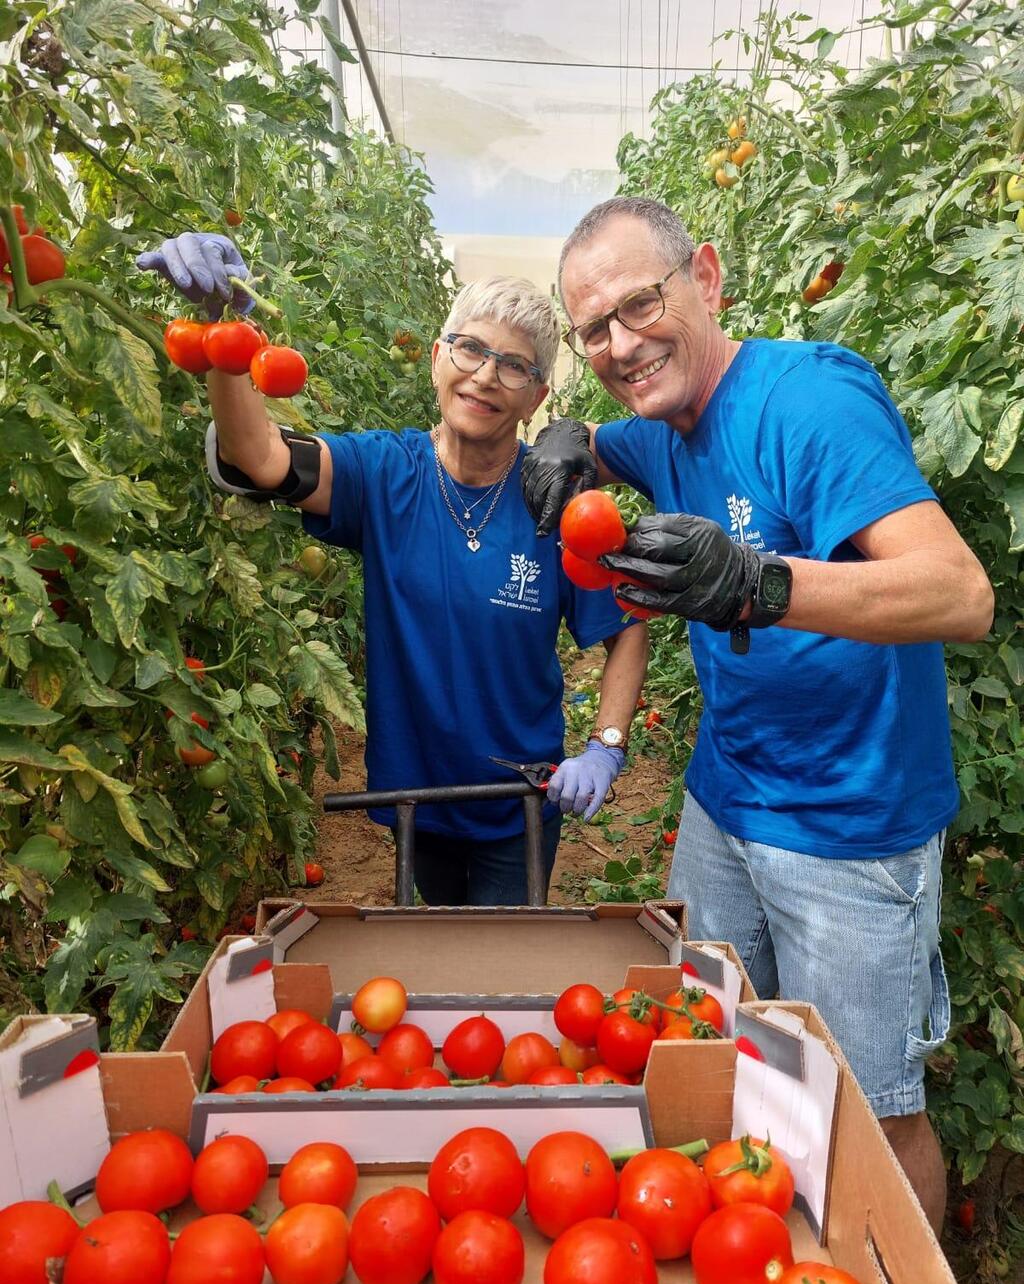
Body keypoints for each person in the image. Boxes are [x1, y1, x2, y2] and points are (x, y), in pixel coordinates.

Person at [522, 197, 994, 1230]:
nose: (619, 344)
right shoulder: (663, 423)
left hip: (850, 834)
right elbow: (603, 447)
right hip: (722, 807)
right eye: (592, 329)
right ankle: (757, 1243)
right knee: (708, 1045)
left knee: (870, 1110)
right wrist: (566, 438)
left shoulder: (805, 402)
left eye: (638, 304)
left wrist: (759, 585)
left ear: (706, 276)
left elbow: (959, 594)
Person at [138, 232, 648, 906]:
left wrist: (605, 746)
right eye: (470, 348)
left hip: (519, 800)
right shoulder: (384, 473)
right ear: (437, 358)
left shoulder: (559, 502)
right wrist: (224, 335)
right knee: (435, 952)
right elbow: (258, 456)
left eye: (514, 366)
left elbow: (627, 628)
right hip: (417, 795)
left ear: (537, 397)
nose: (486, 375)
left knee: (501, 971)